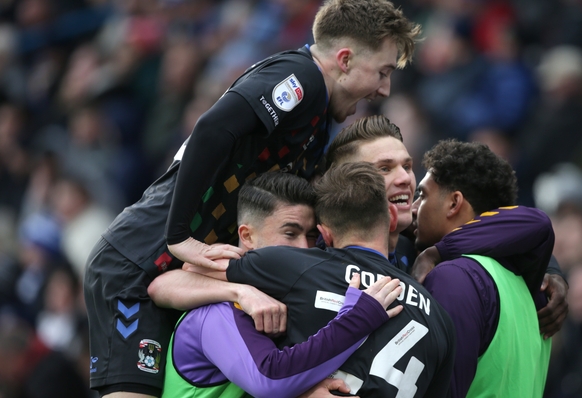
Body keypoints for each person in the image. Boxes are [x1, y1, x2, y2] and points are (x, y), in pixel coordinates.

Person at [83, 1, 421, 397]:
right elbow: (211, 128)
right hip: (138, 260)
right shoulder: (302, 78)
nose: (384, 88)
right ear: (344, 60)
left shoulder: (315, 121)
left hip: (179, 273)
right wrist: (178, 237)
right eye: (382, 72)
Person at [199, 162, 456, 397]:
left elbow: (181, 275)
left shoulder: (292, 267)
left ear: (324, 234)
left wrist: (240, 293)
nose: (303, 246)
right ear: (390, 216)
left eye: (311, 236)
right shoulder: (441, 319)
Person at [158, 173, 403, 398]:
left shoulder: (295, 303)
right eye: (290, 234)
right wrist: (358, 320)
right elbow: (269, 381)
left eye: (310, 237)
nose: (305, 249)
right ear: (247, 237)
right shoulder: (214, 312)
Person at [325, 115, 568, 337]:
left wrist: (550, 269)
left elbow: (534, 223)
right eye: (384, 169)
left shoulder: (431, 265)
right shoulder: (316, 259)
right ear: (346, 187)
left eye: (407, 167)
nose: (405, 179)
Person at [412, 139, 553, 397]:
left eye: (422, 195)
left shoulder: (453, 277)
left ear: (454, 203)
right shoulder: (531, 291)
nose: (412, 208)